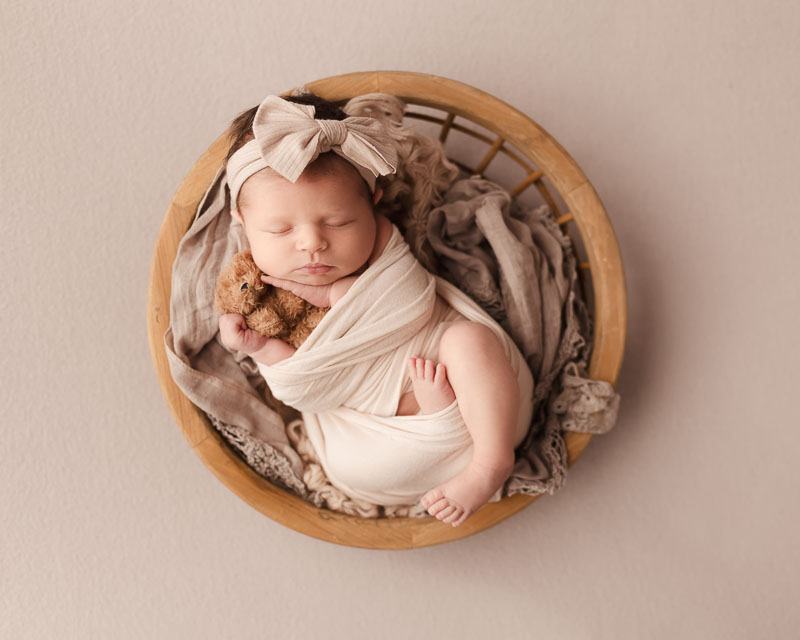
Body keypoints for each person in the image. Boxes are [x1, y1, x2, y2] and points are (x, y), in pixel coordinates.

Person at [217, 93, 533, 527]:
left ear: (373, 205)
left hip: (487, 409)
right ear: (241, 221)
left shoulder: (385, 247)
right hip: (373, 440)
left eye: (339, 221)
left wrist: (340, 295)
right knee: (348, 465)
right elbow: (302, 381)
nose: (311, 243)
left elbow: (412, 299)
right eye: (280, 229)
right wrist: (254, 346)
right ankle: (425, 410)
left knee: (469, 340)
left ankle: (491, 463)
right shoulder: (254, 294)